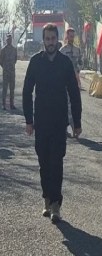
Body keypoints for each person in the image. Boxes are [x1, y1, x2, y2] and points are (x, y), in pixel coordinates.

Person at [22, 23, 82, 223]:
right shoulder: (35, 62)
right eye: (47, 39)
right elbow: (26, 92)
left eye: (53, 39)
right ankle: (47, 198)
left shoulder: (65, 63)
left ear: (57, 40)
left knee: (56, 162)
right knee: (44, 162)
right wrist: (29, 121)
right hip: (41, 122)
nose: (50, 42)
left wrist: (76, 122)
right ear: (43, 40)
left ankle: (56, 205)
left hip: (59, 123)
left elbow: (74, 94)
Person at [60, 27, 83, 135]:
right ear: (66, 36)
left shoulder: (77, 50)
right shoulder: (62, 51)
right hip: (65, 82)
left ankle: (75, 128)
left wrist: (77, 70)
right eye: (70, 36)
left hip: (75, 80)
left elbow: (81, 63)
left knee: (75, 105)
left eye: (73, 36)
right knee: (65, 105)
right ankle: (64, 128)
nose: (72, 38)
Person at [1, 32, 18, 110]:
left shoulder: (14, 49)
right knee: (5, 89)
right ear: (6, 40)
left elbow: (15, 59)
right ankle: (3, 104)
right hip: (6, 72)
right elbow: (1, 60)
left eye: (10, 39)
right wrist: (5, 67)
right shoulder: (3, 50)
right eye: (8, 39)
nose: (9, 41)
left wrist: (11, 66)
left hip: (12, 72)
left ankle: (12, 104)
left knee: (12, 89)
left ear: (11, 40)